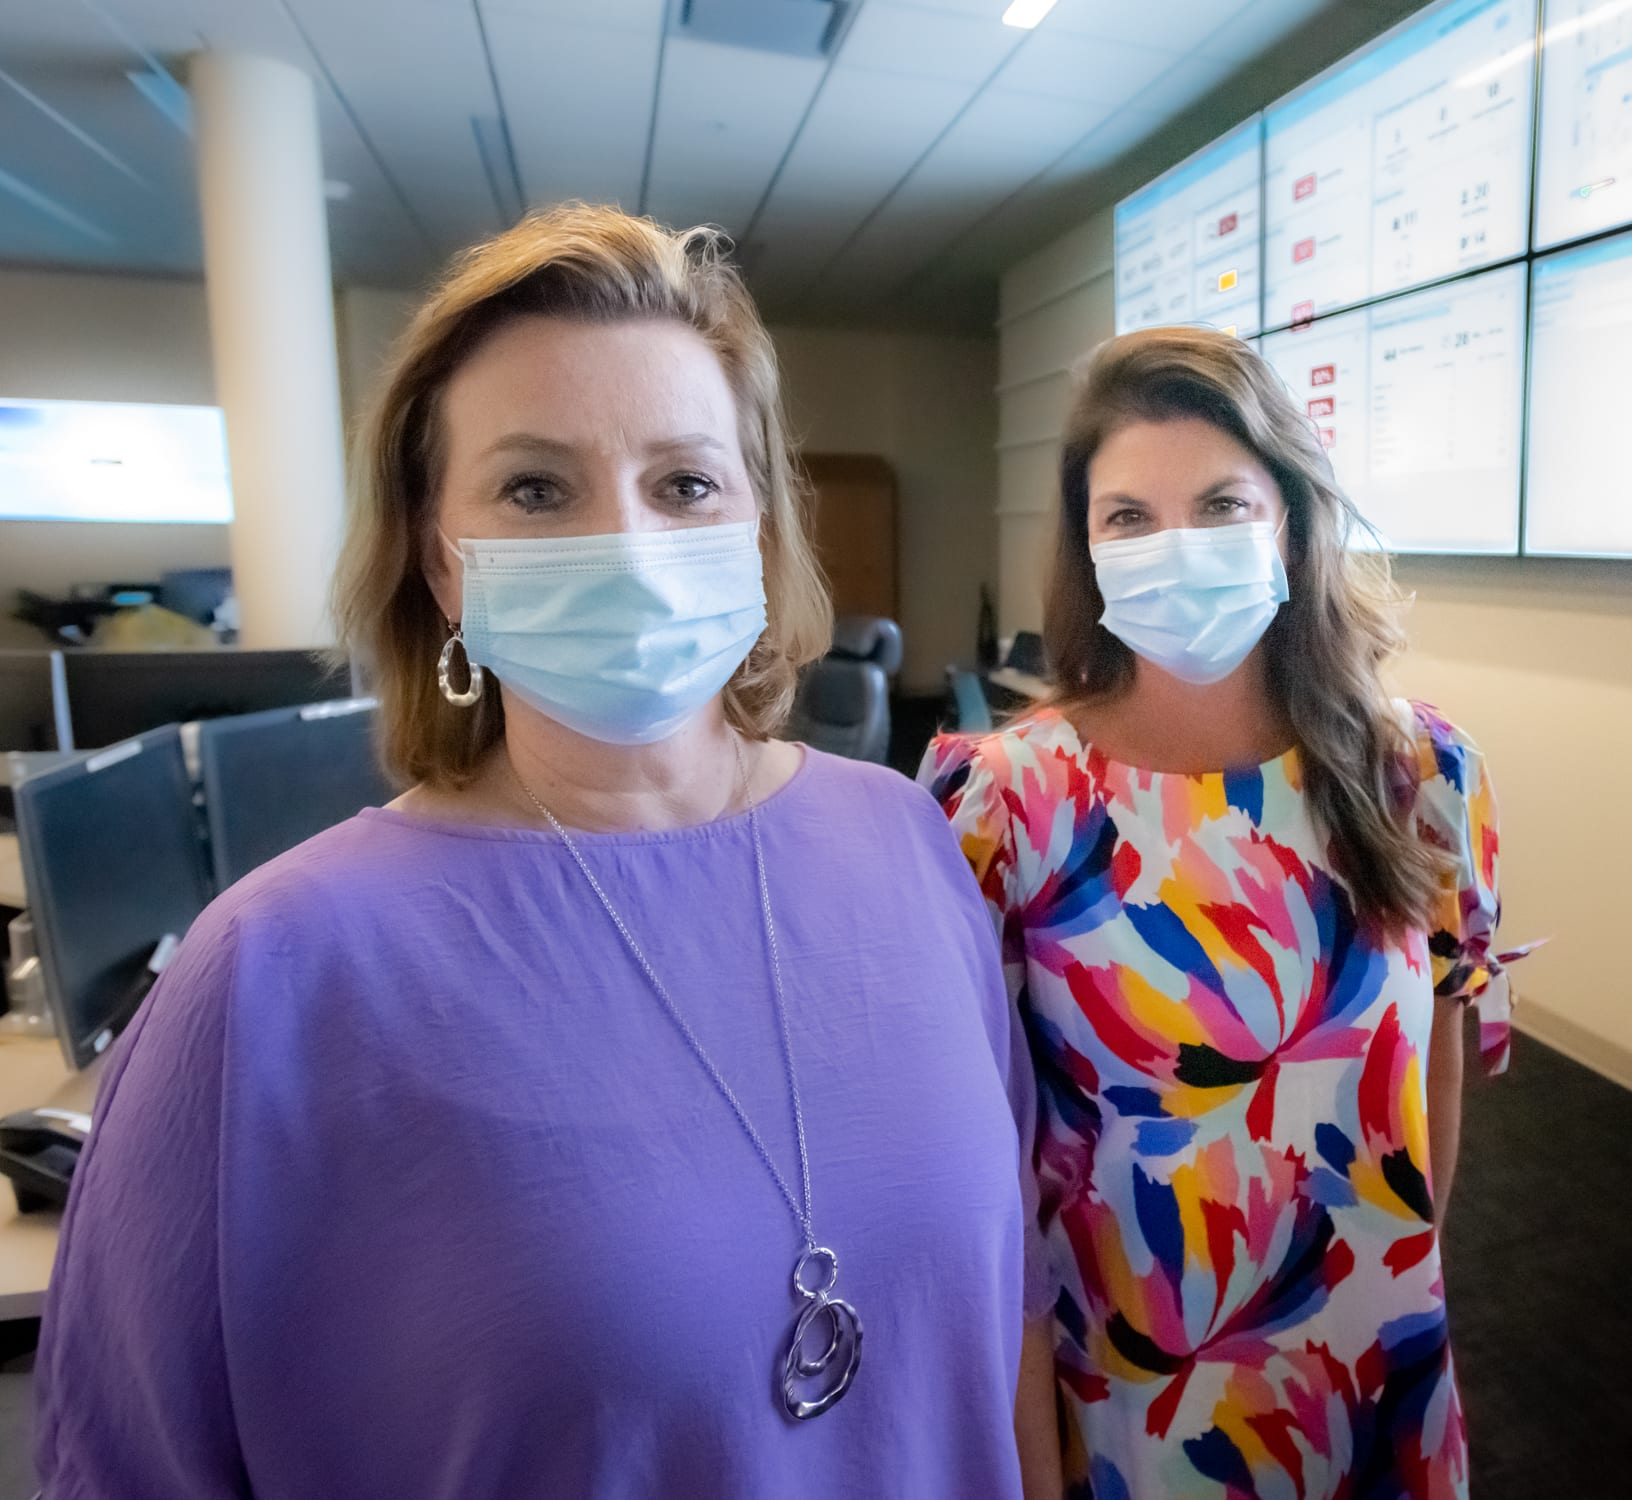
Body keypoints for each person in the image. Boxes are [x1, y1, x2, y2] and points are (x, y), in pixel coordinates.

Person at [37, 206, 1057, 1499]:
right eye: (535, 488)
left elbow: (1008, 1290)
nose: (625, 543)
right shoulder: (274, 977)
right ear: (437, 559)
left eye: (685, 482)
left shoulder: (906, 839)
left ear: (757, 526)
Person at [922, 327, 1522, 1499]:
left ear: (1292, 522)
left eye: (1219, 504)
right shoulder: (1006, 803)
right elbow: (971, 1165)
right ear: (1087, 548)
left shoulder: (1424, 773)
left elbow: (1436, 1052)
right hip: (1136, 1398)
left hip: (1373, 1368)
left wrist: (1401, 1286)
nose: (1176, 547)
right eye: (1130, 519)